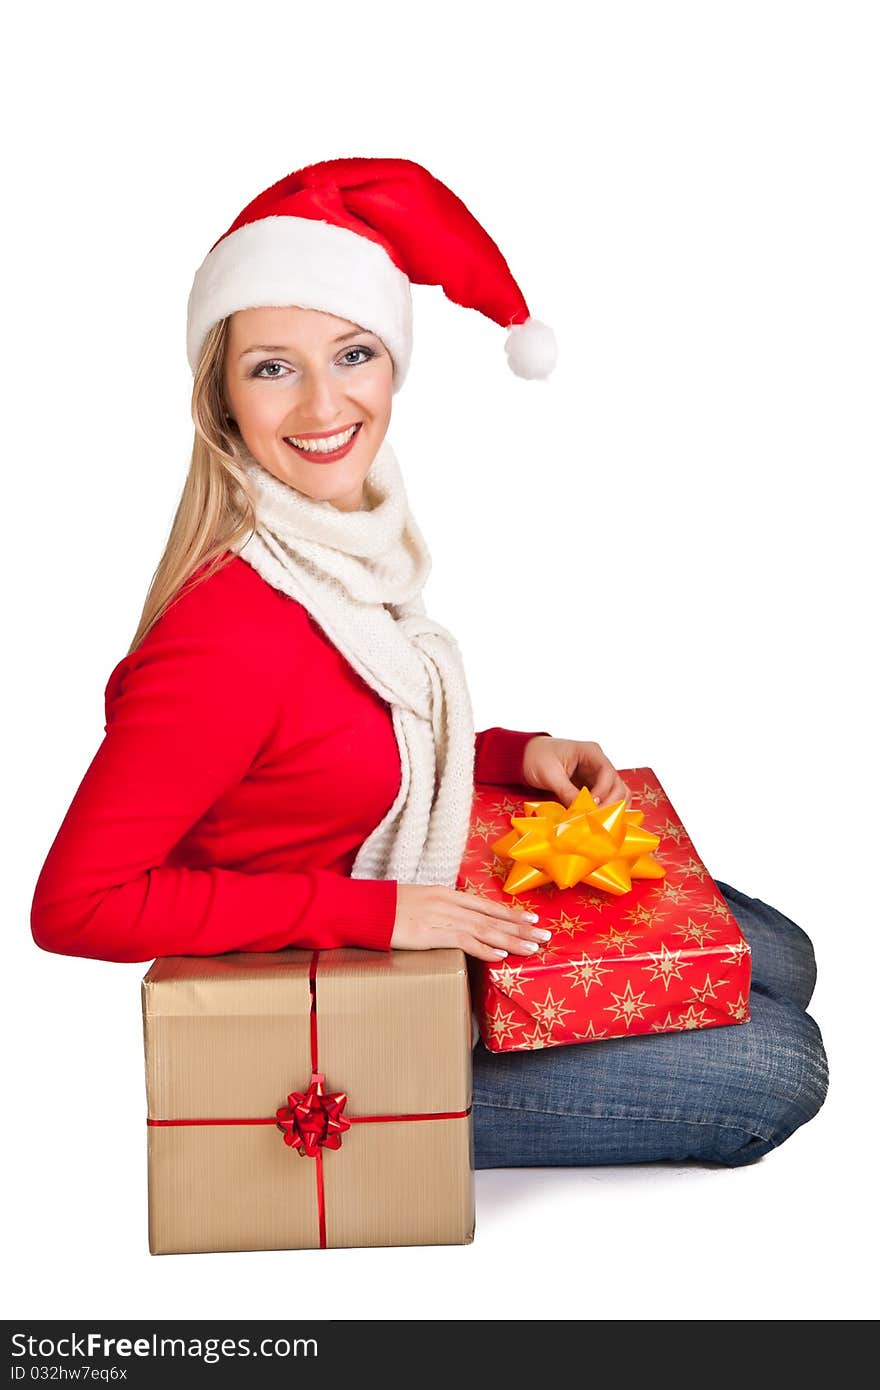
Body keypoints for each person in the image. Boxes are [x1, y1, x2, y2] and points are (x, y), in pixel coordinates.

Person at [30, 156, 827, 1168]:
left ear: (392, 365)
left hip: (393, 882)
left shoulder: (337, 542)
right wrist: (385, 912)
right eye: (273, 365)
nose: (324, 403)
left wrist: (511, 752)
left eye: (352, 354)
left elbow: (344, 731)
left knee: (781, 956)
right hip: (338, 1002)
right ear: (222, 400)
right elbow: (76, 904)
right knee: (781, 1062)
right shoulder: (223, 637)